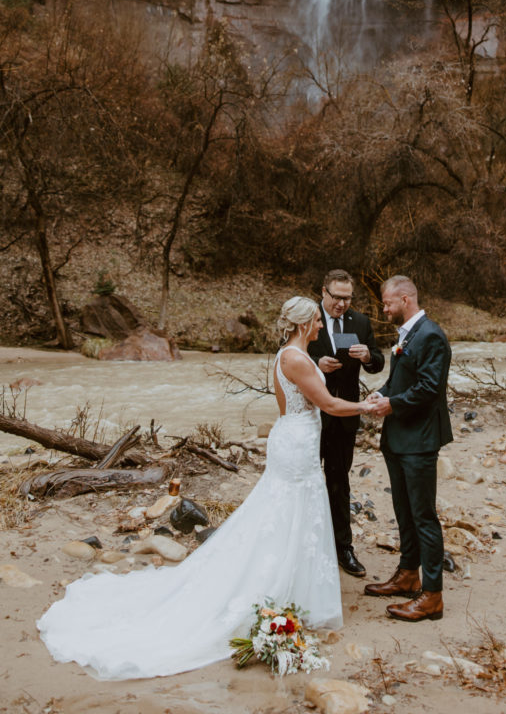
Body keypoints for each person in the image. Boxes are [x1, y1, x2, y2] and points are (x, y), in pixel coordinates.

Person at [37, 297, 375, 680]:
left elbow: (294, 404)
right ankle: (275, 589)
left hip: (290, 435)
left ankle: (287, 586)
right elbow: (328, 404)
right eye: (316, 320)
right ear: (302, 325)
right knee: (292, 513)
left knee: (284, 513)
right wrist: (366, 407)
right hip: (297, 443)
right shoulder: (297, 358)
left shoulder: (287, 354)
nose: (320, 325)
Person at [364, 275, 453, 622]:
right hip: (398, 438)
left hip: (419, 440)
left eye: (387, 303)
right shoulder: (407, 335)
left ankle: (432, 595)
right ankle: (407, 574)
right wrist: (381, 394)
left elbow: (430, 388)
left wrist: (392, 405)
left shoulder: (432, 335)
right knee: (403, 510)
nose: (384, 309)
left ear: (405, 299)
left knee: (424, 516)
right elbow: (401, 381)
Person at [307, 269, 385, 577]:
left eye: (347, 298)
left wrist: (368, 356)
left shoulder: (361, 322)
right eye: (336, 297)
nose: (341, 304)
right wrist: (316, 365)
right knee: (308, 480)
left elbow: (378, 363)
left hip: (346, 416)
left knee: (339, 481)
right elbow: (286, 358)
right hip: (311, 415)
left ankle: (343, 548)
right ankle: (309, 544)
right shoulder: (306, 318)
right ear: (323, 292)